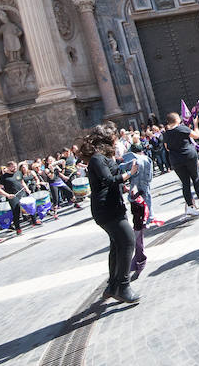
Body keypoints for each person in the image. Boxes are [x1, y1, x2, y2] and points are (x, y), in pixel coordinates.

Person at [79, 123, 140, 303]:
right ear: (107, 139)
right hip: (106, 209)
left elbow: (110, 179)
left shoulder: (104, 157)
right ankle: (123, 286)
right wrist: (129, 174)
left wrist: (124, 184)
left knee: (117, 245)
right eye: (114, 136)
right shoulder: (98, 158)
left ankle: (113, 286)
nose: (116, 139)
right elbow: (107, 180)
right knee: (128, 242)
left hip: (112, 206)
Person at [162, 112, 199, 216]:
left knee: (185, 183)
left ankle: (190, 206)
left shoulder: (166, 134)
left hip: (175, 160)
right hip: (188, 156)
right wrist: (196, 125)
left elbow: (166, 147)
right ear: (177, 119)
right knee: (195, 177)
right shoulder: (182, 128)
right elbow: (196, 135)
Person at [127, 142, 153, 280]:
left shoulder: (134, 161)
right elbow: (150, 177)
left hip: (136, 194)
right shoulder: (147, 159)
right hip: (144, 190)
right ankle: (138, 259)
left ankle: (139, 260)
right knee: (140, 224)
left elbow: (127, 174)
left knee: (137, 227)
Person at [0, 161, 33, 235]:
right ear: (8, 167)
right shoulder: (4, 177)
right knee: (16, 212)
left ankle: (34, 220)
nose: (15, 168)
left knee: (29, 206)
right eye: (13, 167)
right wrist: (7, 195)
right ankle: (18, 228)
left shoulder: (19, 173)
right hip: (12, 196)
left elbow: (22, 182)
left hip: (22, 193)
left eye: (16, 166)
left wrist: (27, 189)